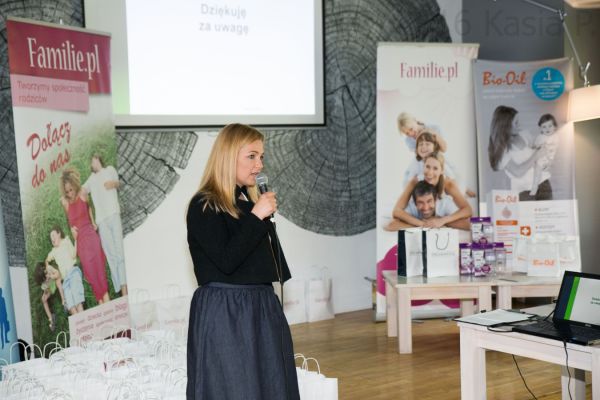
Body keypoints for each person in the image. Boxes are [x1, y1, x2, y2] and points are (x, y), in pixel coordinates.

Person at [186, 123, 299, 400]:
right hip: (227, 311)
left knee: (270, 385)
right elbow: (226, 261)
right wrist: (256, 217)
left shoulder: (248, 203)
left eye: (261, 157)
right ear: (228, 156)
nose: (259, 164)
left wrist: (257, 214)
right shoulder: (204, 205)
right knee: (236, 388)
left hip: (260, 305)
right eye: (251, 156)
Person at [60, 167, 110, 305]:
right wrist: (72, 230)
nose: (70, 193)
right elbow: (70, 220)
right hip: (81, 242)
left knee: (100, 273)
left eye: (71, 189)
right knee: (92, 276)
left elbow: (88, 207)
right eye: (67, 191)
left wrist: (93, 222)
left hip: (91, 237)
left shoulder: (82, 193)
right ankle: (103, 305)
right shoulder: (64, 202)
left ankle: (106, 303)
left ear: (75, 185)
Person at [386, 152, 472, 231]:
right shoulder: (415, 181)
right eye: (427, 167)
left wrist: (442, 220)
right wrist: (422, 223)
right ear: (423, 166)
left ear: (442, 170)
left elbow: (467, 210)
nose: (430, 172)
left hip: (445, 206)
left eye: (435, 168)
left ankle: (467, 190)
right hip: (424, 212)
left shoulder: (448, 185)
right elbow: (397, 211)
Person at [83, 154, 128, 295]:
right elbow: (82, 191)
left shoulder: (109, 170)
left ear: (98, 160)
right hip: (102, 220)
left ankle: (125, 289)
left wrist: (113, 184)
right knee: (111, 254)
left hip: (113, 213)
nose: (92, 164)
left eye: (93, 161)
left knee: (120, 251)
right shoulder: (91, 179)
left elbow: (119, 183)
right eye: (91, 162)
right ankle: (121, 288)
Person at [488, 105, 543, 201]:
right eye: (516, 123)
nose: (519, 125)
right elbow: (518, 172)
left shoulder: (524, 134)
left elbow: (537, 153)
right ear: (506, 125)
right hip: (524, 191)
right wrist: (537, 155)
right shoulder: (500, 149)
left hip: (543, 183)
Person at [45, 226, 85, 315]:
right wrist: (48, 267)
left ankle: (83, 318)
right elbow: (47, 260)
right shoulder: (53, 251)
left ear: (59, 234)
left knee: (78, 302)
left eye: (53, 235)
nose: (52, 239)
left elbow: (74, 255)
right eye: (51, 238)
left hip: (73, 273)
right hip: (65, 281)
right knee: (71, 307)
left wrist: (75, 240)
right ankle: (79, 322)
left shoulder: (66, 241)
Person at [529, 113, 558, 199]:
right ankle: (535, 186)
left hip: (549, 158)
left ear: (555, 127)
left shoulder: (556, 137)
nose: (547, 129)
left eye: (550, 126)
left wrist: (550, 161)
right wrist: (536, 146)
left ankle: (536, 186)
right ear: (540, 129)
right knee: (537, 171)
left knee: (543, 169)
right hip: (541, 157)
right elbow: (536, 146)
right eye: (544, 127)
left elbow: (555, 148)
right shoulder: (540, 137)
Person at [33, 262, 63, 331]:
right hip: (51, 288)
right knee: (43, 299)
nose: (46, 278)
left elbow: (57, 274)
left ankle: (63, 300)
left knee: (58, 282)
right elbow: (45, 288)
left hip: (56, 281)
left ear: (45, 270)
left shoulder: (49, 269)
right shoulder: (43, 282)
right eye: (44, 279)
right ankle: (51, 318)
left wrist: (52, 276)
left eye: (46, 274)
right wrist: (46, 291)